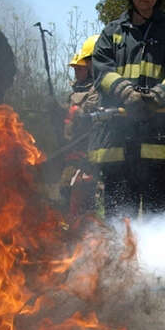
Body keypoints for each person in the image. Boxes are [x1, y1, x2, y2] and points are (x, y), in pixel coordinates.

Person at [86, 0, 165, 221]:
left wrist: (159, 96)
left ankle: (157, 251)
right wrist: (126, 93)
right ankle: (119, 250)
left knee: (157, 212)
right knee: (119, 212)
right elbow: (101, 69)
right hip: (117, 135)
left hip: (155, 135)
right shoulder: (112, 33)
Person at [61, 36, 100, 218]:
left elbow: (88, 114)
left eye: (80, 68)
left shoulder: (97, 90)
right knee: (66, 187)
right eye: (75, 69)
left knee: (86, 189)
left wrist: (76, 113)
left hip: (91, 149)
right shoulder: (74, 91)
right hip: (73, 148)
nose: (76, 72)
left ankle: (89, 225)